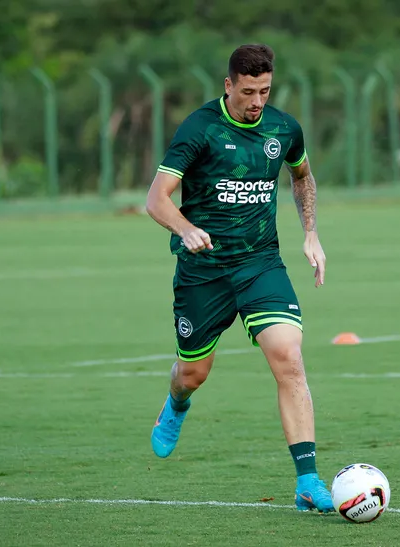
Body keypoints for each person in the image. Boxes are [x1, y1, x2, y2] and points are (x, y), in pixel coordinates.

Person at [144, 44, 334, 513]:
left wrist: (311, 231)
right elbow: (156, 198)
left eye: (265, 91)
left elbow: (302, 176)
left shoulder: (284, 128)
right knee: (193, 373)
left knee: (289, 357)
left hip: (259, 264)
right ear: (228, 85)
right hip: (204, 271)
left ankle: (307, 481)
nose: (257, 101)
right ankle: (176, 404)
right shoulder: (200, 128)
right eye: (248, 91)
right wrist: (186, 229)